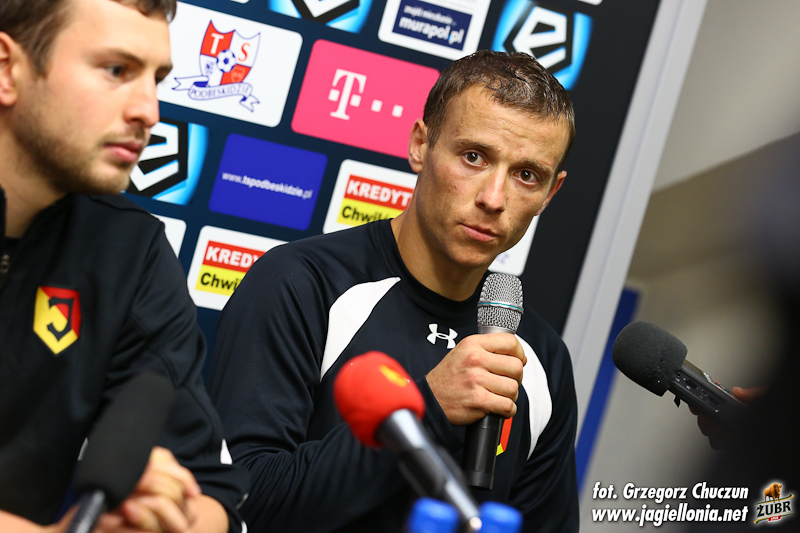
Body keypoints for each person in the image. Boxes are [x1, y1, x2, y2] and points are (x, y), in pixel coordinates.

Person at [210, 51, 578, 531]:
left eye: (526, 175)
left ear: (550, 193)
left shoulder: (541, 359)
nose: (493, 198)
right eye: (473, 157)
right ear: (421, 145)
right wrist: (425, 410)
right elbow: (242, 498)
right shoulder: (301, 284)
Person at [0, 0, 247, 532]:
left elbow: (211, 491)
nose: (149, 111)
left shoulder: (128, 249)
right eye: (116, 70)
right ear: (6, 69)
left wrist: (157, 514)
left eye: (156, 78)